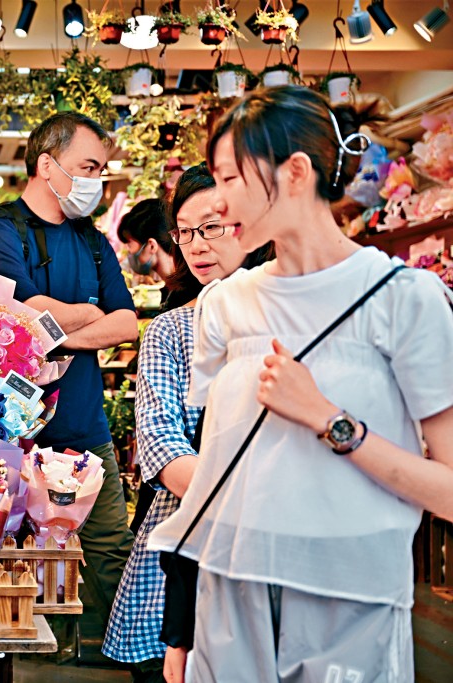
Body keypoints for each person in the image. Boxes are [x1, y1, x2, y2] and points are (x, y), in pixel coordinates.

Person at [147, 85, 453, 682]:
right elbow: (218, 479)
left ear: (294, 173)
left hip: (350, 605)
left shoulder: (404, 300)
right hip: (230, 603)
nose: (219, 198)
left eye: (231, 177)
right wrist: (180, 633)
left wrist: (329, 420)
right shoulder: (225, 305)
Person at [0, 112, 139, 633]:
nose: (96, 181)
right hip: (10, 432)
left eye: (101, 169)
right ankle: (28, 655)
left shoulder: (92, 240)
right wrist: (86, 312)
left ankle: (117, 654)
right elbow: (10, 313)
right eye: (88, 166)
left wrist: (49, 326)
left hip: (85, 427)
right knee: (12, 552)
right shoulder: (1, 229)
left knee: (109, 545)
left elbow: (126, 322)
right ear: (47, 164)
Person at [102, 164, 273, 682]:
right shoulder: (172, 331)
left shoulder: (290, 319)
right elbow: (161, 446)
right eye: (185, 231)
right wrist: (261, 504)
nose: (196, 245)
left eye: (212, 227)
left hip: (273, 560)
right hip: (182, 553)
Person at [117, 198, 177, 281]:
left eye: (129, 244)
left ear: (152, 246)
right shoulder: (174, 287)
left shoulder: (186, 291)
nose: (128, 251)